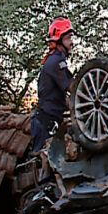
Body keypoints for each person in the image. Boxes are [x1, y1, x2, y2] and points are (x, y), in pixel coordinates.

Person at [30, 17, 75, 153]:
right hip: (45, 124)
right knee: (42, 164)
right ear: (59, 40)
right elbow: (74, 88)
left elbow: (64, 97)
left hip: (50, 121)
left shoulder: (56, 61)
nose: (71, 42)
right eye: (68, 38)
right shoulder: (55, 62)